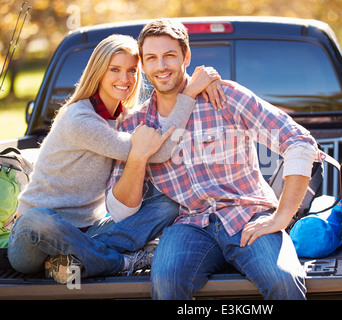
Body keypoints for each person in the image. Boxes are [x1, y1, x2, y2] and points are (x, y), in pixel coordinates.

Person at [107, 19, 323, 300]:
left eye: (170, 55)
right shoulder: (134, 124)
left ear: (187, 57)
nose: (161, 66)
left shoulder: (224, 96)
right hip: (189, 224)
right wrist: (138, 156)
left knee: (283, 279)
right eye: (152, 58)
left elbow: (298, 141)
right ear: (144, 66)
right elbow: (120, 212)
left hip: (248, 216)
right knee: (165, 281)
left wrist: (281, 216)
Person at [7, 34, 226, 284]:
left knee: (167, 204)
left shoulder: (124, 119)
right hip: (32, 240)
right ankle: (118, 262)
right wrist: (189, 94)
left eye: (132, 70)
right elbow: (161, 151)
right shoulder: (80, 119)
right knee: (40, 217)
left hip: (90, 231)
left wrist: (202, 85)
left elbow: (159, 125)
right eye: (115, 70)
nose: (125, 79)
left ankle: (74, 260)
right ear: (98, 72)